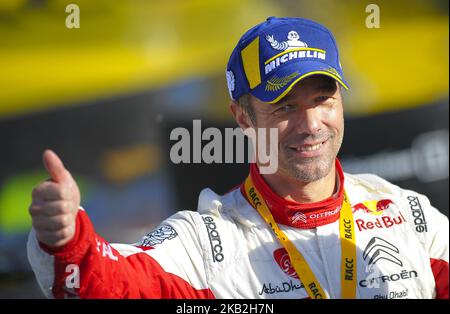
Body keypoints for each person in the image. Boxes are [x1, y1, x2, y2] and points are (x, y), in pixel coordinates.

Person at [27, 17, 448, 299]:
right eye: (284, 107)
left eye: (324, 100)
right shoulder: (206, 241)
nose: (311, 124)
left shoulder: (407, 214)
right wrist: (66, 240)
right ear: (243, 117)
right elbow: (114, 284)